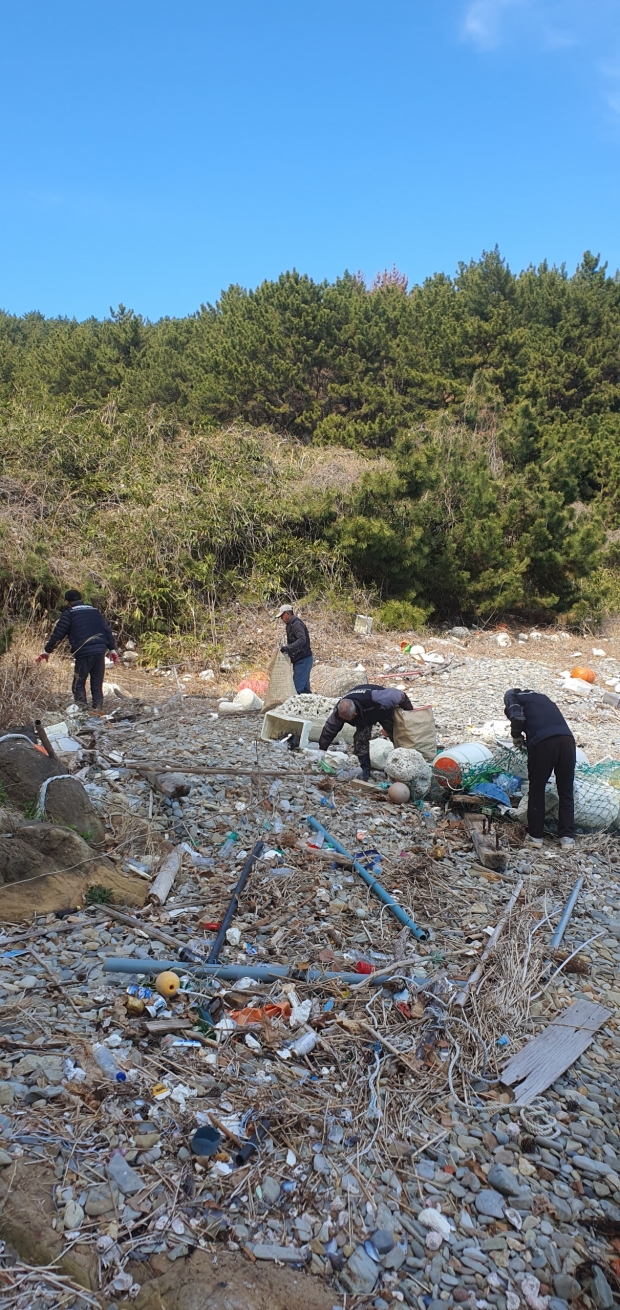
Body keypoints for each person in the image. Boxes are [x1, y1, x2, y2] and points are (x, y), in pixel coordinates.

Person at [504, 688, 575, 850]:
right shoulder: (542, 698)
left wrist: (516, 735)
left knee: (537, 788)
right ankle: (567, 838)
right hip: (567, 741)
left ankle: (535, 837)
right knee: (566, 790)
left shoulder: (513, 697)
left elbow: (516, 717)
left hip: (543, 743)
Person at [36, 590, 118, 711]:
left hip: (83, 652)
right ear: (81, 598)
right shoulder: (95, 612)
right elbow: (107, 631)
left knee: (78, 683)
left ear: (67, 602)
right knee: (96, 683)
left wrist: (47, 651)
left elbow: (58, 635)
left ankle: (82, 710)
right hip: (100, 651)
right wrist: (112, 649)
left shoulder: (69, 614)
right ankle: (98, 709)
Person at [318, 683, 413, 780]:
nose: (342, 720)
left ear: (354, 714)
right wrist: (322, 749)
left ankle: (406, 762)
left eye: (347, 719)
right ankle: (365, 770)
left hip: (381, 710)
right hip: (364, 720)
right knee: (360, 741)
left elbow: (401, 695)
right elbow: (330, 728)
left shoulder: (378, 697)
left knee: (399, 735)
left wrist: (410, 715)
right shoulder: (340, 710)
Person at [277, 603, 313, 694]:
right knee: (305, 689)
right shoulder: (290, 624)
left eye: (282, 616)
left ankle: (297, 707)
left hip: (303, 659)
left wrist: (288, 648)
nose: (281, 619)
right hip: (300, 659)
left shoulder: (296, 624)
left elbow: (302, 639)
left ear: (287, 614)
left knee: (297, 689)